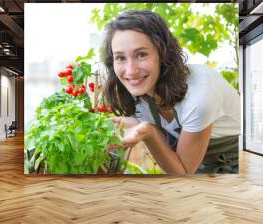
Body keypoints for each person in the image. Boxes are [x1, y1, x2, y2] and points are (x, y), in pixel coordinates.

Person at [102, 10, 240, 175]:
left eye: (141, 55)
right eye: (120, 58)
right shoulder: (140, 88)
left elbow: (183, 174)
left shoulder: (200, 96)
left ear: (163, 53)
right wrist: (140, 126)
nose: (131, 71)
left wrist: (149, 132)